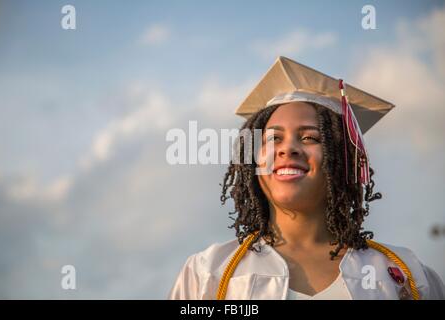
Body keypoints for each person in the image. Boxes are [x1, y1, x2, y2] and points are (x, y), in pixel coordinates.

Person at [168, 56, 445, 300]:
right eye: (273, 138)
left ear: (342, 157)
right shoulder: (208, 274)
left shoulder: (402, 274)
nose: (287, 148)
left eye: (310, 137)